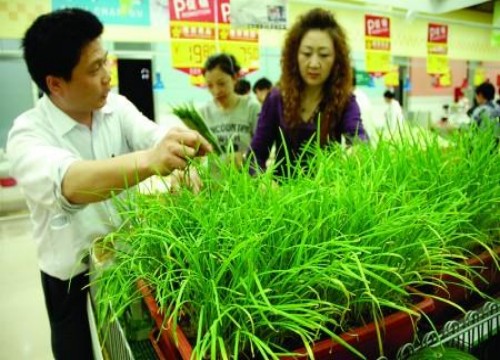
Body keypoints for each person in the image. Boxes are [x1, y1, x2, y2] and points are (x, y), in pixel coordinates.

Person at [6, 8, 211, 359]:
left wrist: (178, 152)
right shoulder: (27, 134)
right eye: (94, 68)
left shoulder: (115, 108)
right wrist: (149, 161)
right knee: (77, 351)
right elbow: (69, 182)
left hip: (124, 263)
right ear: (55, 84)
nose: (108, 76)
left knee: (130, 347)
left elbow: (151, 134)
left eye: (106, 61)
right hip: (71, 277)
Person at [248, 8, 367, 177]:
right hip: (280, 197)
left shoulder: (344, 101)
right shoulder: (277, 98)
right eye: (307, 53)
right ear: (294, 55)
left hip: (327, 195)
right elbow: (255, 155)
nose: (314, 63)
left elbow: (358, 138)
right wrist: (263, 184)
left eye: (324, 55)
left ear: (337, 60)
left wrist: (357, 151)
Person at [198, 53, 261, 156]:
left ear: (234, 78)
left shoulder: (251, 108)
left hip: (245, 171)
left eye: (221, 83)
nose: (216, 91)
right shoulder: (203, 113)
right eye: (210, 85)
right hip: (213, 172)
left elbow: (261, 148)